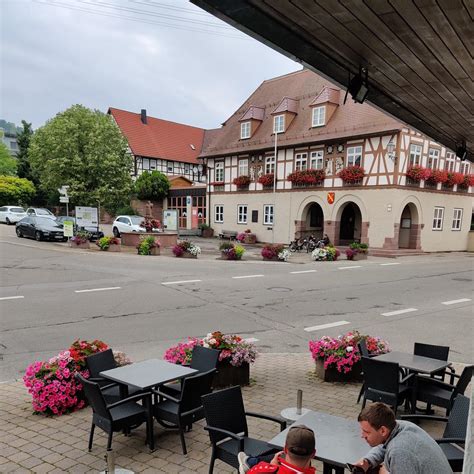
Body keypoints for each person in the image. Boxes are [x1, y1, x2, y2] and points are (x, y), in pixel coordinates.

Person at [354, 402, 453, 474]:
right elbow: (384, 445)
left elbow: (396, 450)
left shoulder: (399, 451)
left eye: (366, 432)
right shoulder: (399, 426)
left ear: (383, 430)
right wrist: (368, 461)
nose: (362, 435)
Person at [238, 424, 316, 473]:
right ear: (313, 454)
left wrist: (271, 468)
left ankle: (249, 462)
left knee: (273, 456)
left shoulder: (262, 470)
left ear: (285, 449)